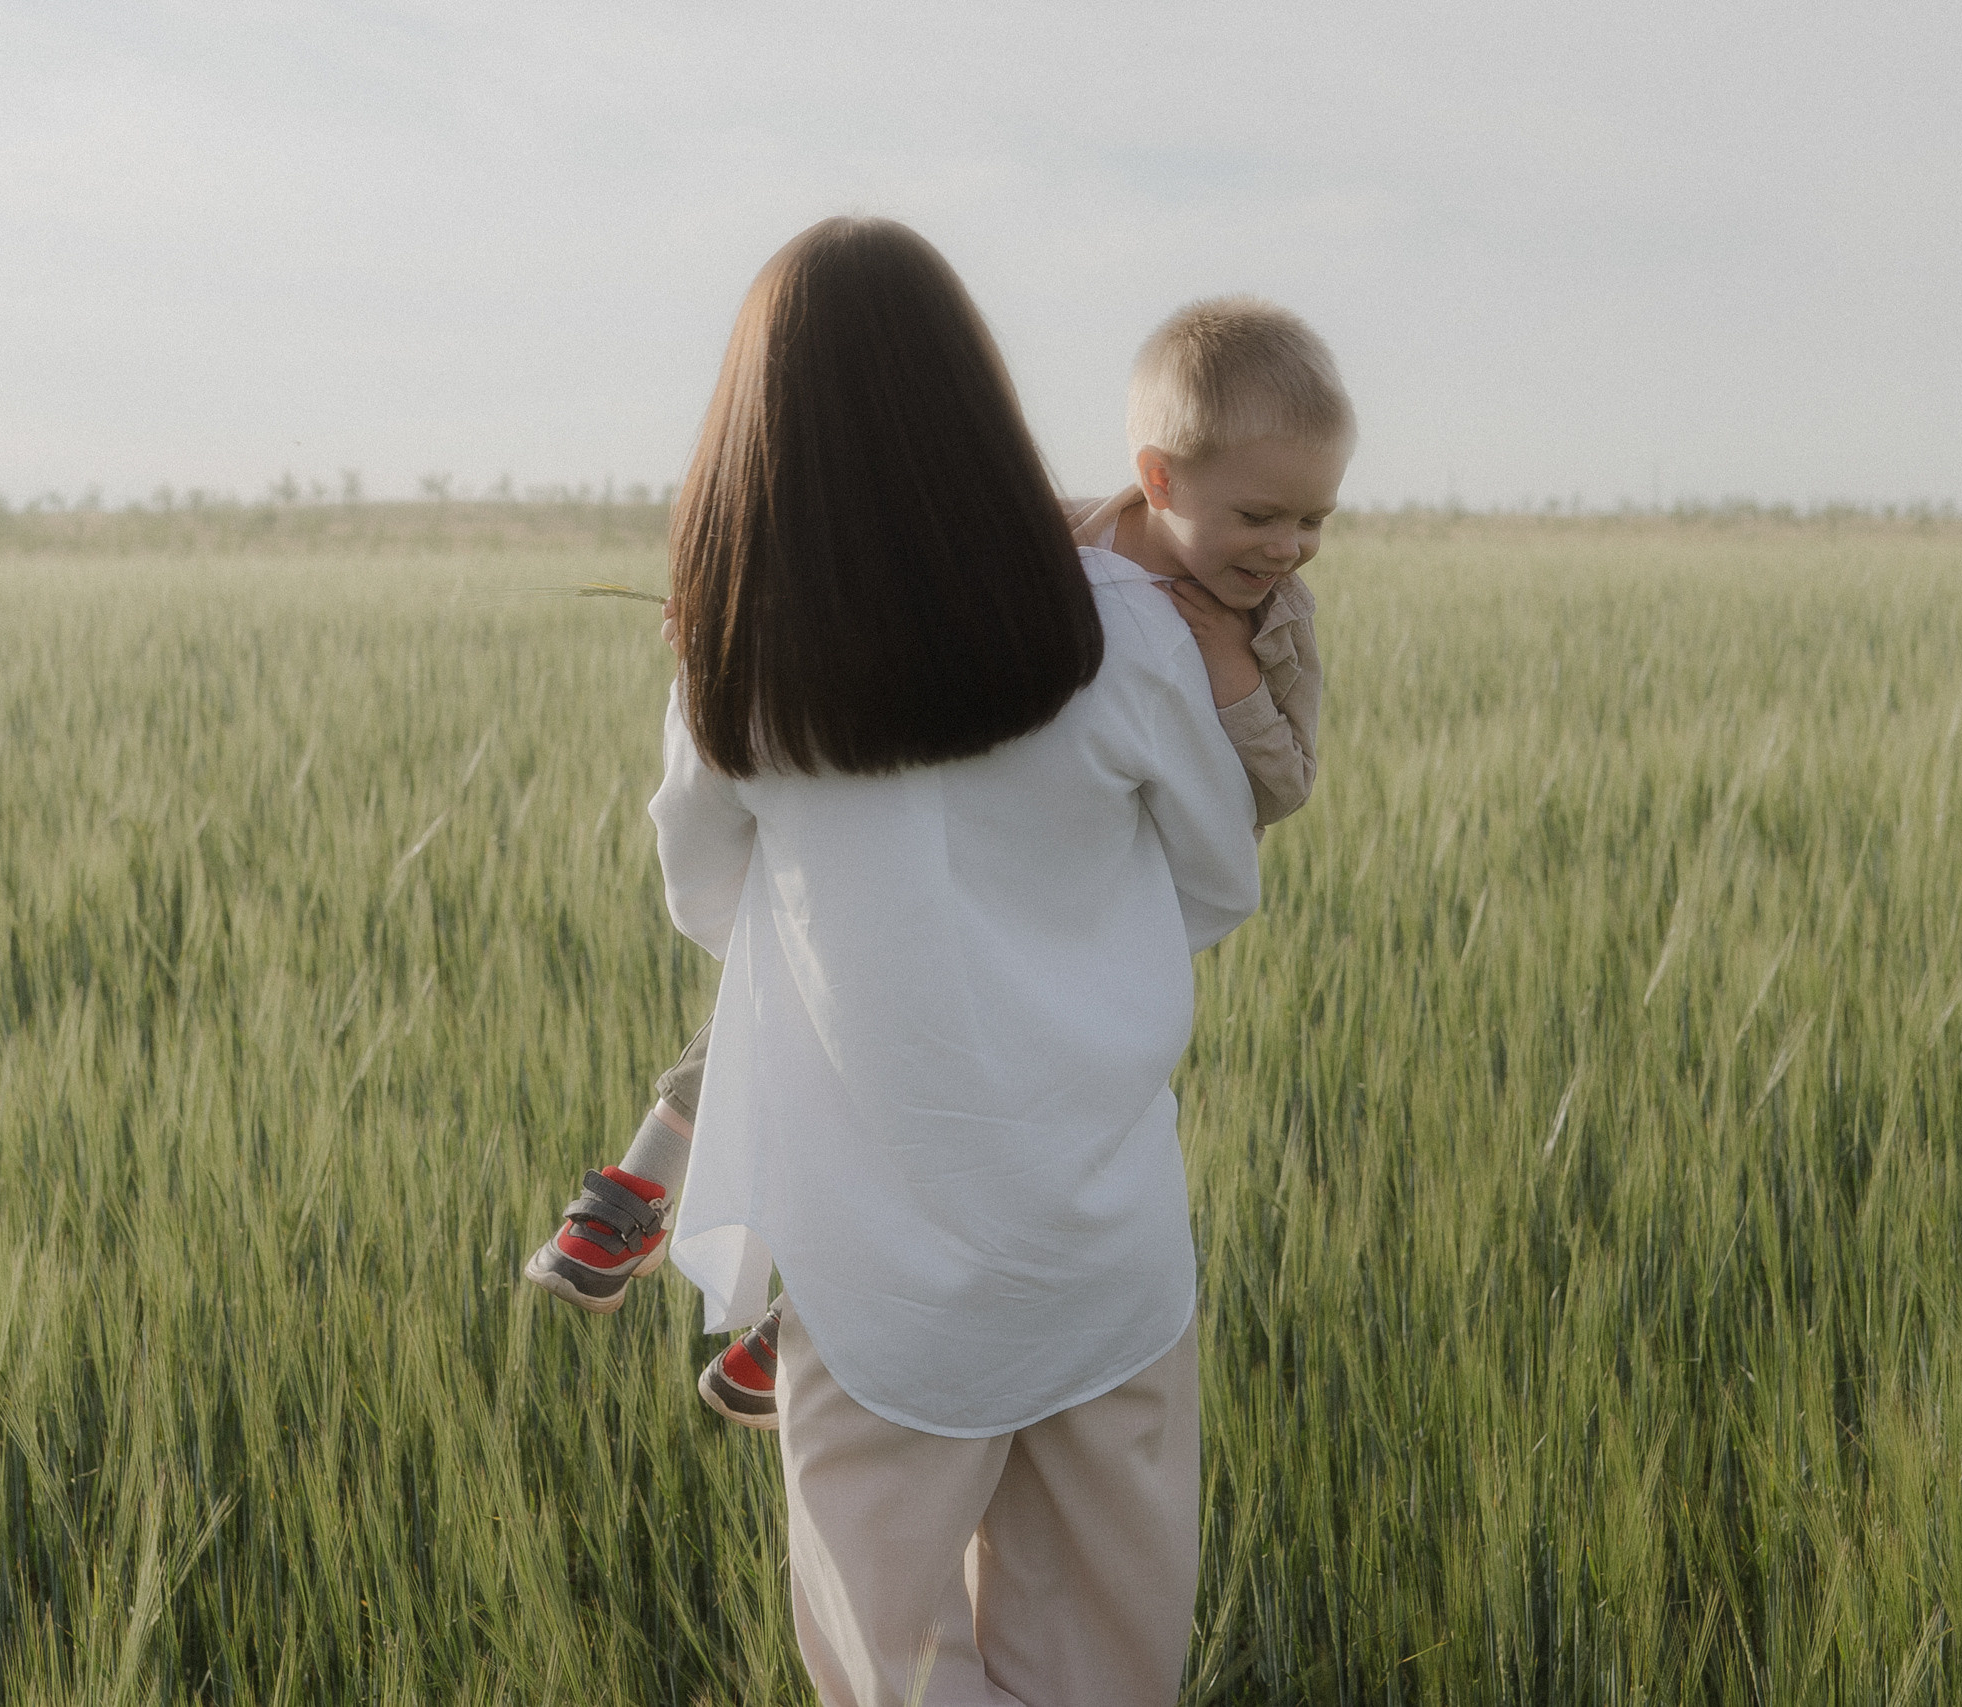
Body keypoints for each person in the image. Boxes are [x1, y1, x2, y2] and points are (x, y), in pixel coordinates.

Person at [525, 294, 1351, 1435]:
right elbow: (902, 572)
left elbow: (1282, 783)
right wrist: (729, 613)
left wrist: (1229, 674)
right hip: (996, 901)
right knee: (831, 1011)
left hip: (1075, 899)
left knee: (873, 1041)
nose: (1289, 549)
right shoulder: (1053, 544)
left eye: (1315, 522)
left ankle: (789, 1306)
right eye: (1261, 516)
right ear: (1157, 481)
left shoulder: (1259, 626)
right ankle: (673, 1212)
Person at [645, 214, 1259, 1704]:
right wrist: (1058, 945)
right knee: (1108, 1663)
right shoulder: (1122, 627)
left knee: (892, 1670)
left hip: (877, 1265)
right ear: (979, 407)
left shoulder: (736, 664)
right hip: (1100, 1241)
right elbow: (1216, 879)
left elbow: (708, 898)